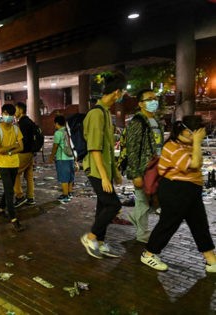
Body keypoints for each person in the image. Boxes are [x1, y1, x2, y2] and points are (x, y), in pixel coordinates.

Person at [140, 116, 216, 273]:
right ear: (186, 132)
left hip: (191, 190)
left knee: (199, 224)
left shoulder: (187, 145)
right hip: (175, 190)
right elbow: (194, 164)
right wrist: (196, 142)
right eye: (196, 133)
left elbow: (198, 162)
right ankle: (148, 254)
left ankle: (211, 261)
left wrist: (195, 143)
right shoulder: (172, 147)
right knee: (169, 224)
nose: (199, 136)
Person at [80, 72, 126, 259]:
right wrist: (105, 177)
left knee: (103, 205)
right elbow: (95, 149)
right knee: (114, 205)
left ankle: (99, 241)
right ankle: (90, 237)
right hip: (96, 169)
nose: (122, 96)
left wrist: (114, 173)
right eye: (122, 92)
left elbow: (107, 145)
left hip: (104, 169)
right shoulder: (96, 114)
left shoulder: (106, 113)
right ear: (116, 92)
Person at [126, 89, 164, 243]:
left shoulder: (157, 121)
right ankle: (142, 235)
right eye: (149, 99)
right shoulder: (137, 122)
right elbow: (132, 149)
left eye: (155, 98)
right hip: (143, 169)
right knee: (142, 200)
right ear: (141, 103)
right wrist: (135, 174)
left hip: (157, 167)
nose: (153, 101)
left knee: (157, 199)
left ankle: (135, 216)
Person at [0, 104, 25, 232]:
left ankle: (1, 209)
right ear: (2, 114)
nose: (8, 117)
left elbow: (21, 147)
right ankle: (13, 219)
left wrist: (10, 150)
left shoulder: (16, 129)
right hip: (3, 165)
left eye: (11, 114)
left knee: (9, 188)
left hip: (14, 163)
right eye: (6, 114)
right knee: (10, 191)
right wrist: (13, 146)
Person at [13, 102, 36, 207]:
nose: (14, 112)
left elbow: (23, 140)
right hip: (30, 153)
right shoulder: (30, 121)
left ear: (20, 110)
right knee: (29, 176)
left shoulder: (22, 123)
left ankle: (19, 196)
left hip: (23, 153)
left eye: (16, 110)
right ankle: (30, 197)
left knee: (15, 174)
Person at [48, 115, 75, 204]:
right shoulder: (68, 131)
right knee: (70, 177)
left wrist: (51, 157)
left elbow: (55, 146)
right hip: (71, 157)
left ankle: (65, 195)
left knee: (64, 178)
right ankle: (70, 193)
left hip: (62, 159)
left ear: (56, 123)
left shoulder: (58, 133)